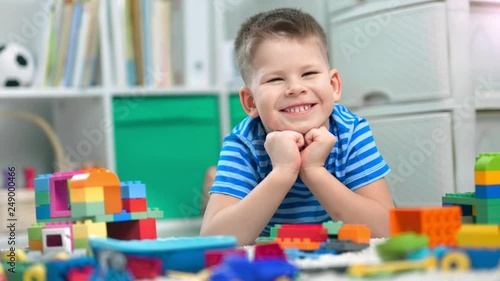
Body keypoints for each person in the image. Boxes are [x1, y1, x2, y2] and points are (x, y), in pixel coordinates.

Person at [200, 8, 394, 246]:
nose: (295, 88)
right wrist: (283, 171)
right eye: (275, 79)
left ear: (333, 86)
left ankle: (214, 183)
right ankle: (213, 185)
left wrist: (314, 170)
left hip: (329, 246)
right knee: (220, 202)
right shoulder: (244, 143)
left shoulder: (351, 131)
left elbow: (386, 229)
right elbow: (213, 240)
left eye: (309, 73)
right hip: (275, 247)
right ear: (251, 102)